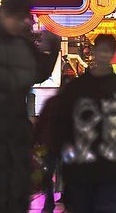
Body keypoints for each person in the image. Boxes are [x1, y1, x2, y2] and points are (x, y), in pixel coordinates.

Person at [54, 34, 116, 213]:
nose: (103, 55)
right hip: (79, 169)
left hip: (111, 169)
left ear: (112, 54)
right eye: (100, 50)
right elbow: (61, 122)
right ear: (93, 52)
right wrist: (64, 154)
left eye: (107, 51)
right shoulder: (76, 88)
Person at [0, 0, 60, 213]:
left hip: (12, 143)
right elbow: (37, 71)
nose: (28, 23)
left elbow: (38, 71)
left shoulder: (20, 44)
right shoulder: (19, 45)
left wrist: (52, 49)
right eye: (25, 18)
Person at [33, 76, 72, 213]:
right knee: (67, 175)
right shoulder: (72, 105)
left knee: (47, 175)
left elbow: (41, 123)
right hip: (65, 146)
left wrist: (36, 140)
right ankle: (66, 201)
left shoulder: (53, 102)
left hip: (53, 145)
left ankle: (51, 203)